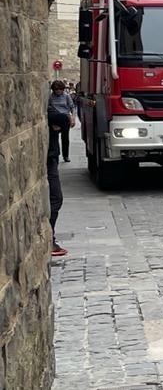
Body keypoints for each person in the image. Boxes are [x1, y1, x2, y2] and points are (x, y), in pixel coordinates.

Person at [47, 94, 69, 258]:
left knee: (54, 198)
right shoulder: (48, 105)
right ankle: (49, 239)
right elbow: (62, 118)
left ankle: (49, 238)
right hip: (49, 156)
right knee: (55, 198)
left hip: (51, 155)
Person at [48, 79, 76, 162]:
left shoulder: (66, 96)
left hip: (65, 118)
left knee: (65, 138)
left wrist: (73, 119)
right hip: (55, 118)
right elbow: (47, 110)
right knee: (54, 137)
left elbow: (72, 108)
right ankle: (55, 154)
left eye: (60, 89)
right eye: (56, 90)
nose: (58, 91)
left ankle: (66, 155)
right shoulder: (50, 97)